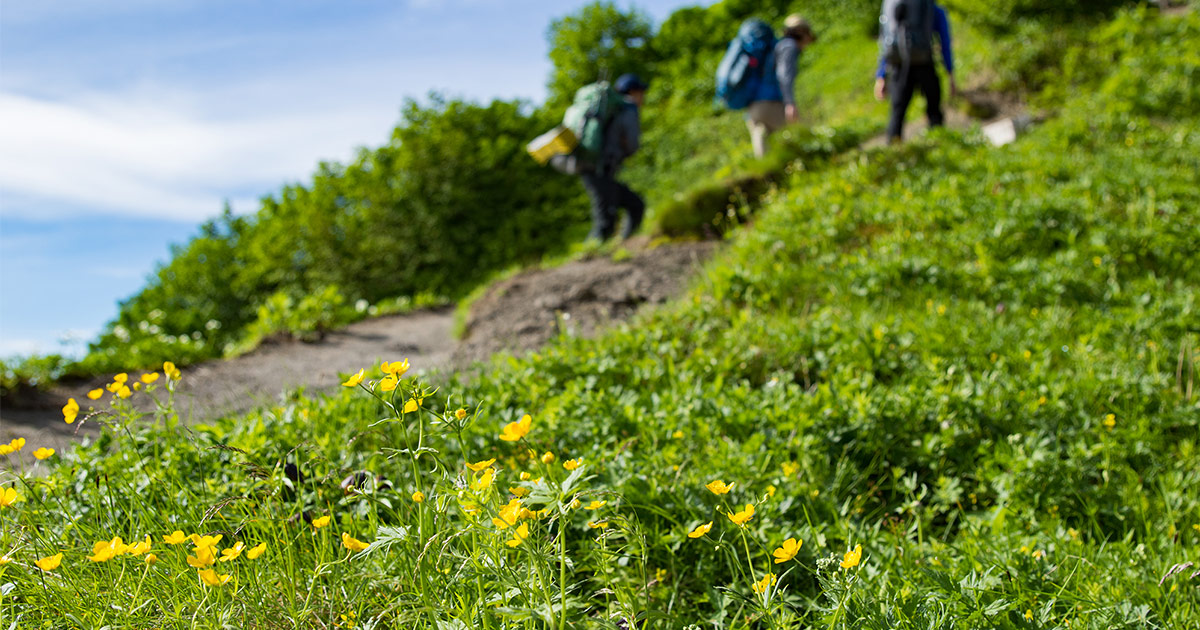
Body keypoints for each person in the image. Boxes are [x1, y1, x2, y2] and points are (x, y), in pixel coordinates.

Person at [874, 0, 956, 142]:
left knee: (897, 113)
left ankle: (893, 154)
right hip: (924, 63)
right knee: (934, 110)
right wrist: (950, 72)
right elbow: (944, 39)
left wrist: (881, 76)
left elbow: (885, 40)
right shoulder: (931, 7)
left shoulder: (891, 3)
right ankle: (939, 145)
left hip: (898, 66)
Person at [579, 73, 647, 242]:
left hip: (593, 166)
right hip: (601, 168)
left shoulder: (612, 108)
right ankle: (591, 256)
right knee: (605, 223)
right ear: (632, 92)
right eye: (641, 92)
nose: (643, 98)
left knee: (634, 205)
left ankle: (623, 246)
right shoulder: (628, 109)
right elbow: (632, 145)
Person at [745, 15, 817, 158]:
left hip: (753, 106)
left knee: (764, 146)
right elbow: (784, 75)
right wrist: (790, 103)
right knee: (802, 134)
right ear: (802, 32)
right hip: (770, 104)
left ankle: (766, 176)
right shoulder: (789, 46)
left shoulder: (774, 47)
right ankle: (815, 167)